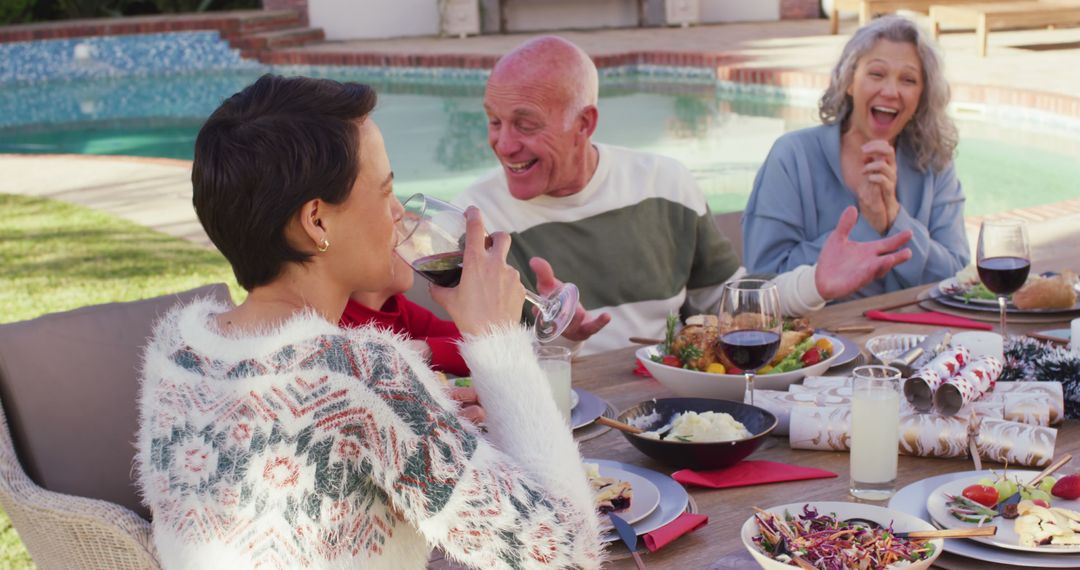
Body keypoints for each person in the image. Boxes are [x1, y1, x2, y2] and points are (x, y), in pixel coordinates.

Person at [134, 74, 604, 569]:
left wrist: (421, 424)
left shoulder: (179, 347)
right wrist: (497, 340)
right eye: (385, 191)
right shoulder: (363, 377)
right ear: (317, 221)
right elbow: (569, 554)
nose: (399, 212)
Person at [454, 36, 914, 355]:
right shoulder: (474, 221)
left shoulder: (665, 184)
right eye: (494, 121)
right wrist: (559, 340)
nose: (503, 144)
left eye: (526, 124)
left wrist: (816, 283)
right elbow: (486, 370)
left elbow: (726, 306)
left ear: (585, 124)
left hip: (674, 410)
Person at [742, 15, 969, 298]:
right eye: (876, 74)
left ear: (922, 96)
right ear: (849, 81)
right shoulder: (791, 157)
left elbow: (958, 277)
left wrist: (894, 221)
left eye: (908, 80)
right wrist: (868, 228)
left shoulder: (935, 162)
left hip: (916, 337)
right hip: (818, 339)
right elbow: (762, 283)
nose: (890, 91)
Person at [341, 255, 469, 377]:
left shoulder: (397, 308)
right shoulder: (334, 319)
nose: (411, 254)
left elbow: (475, 341)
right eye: (395, 243)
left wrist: (424, 349)